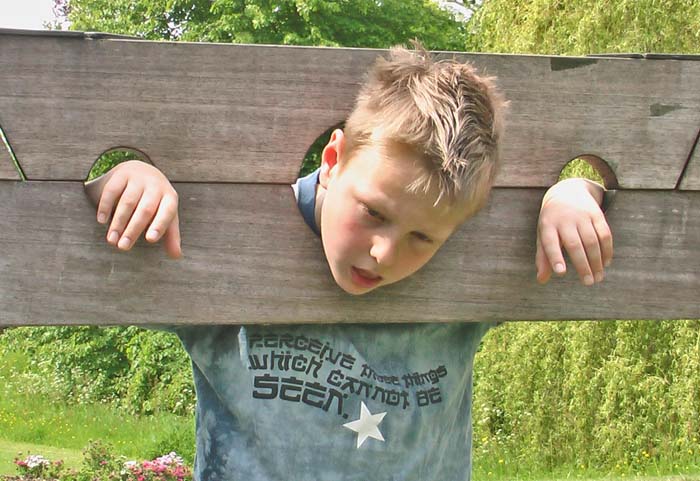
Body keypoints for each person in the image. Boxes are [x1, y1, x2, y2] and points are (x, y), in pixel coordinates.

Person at [84, 45, 612, 481]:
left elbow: (594, 192)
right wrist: (128, 177)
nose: (384, 252)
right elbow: (107, 229)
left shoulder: (470, 267)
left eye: (422, 238)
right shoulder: (227, 240)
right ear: (332, 161)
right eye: (374, 212)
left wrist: (572, 191)